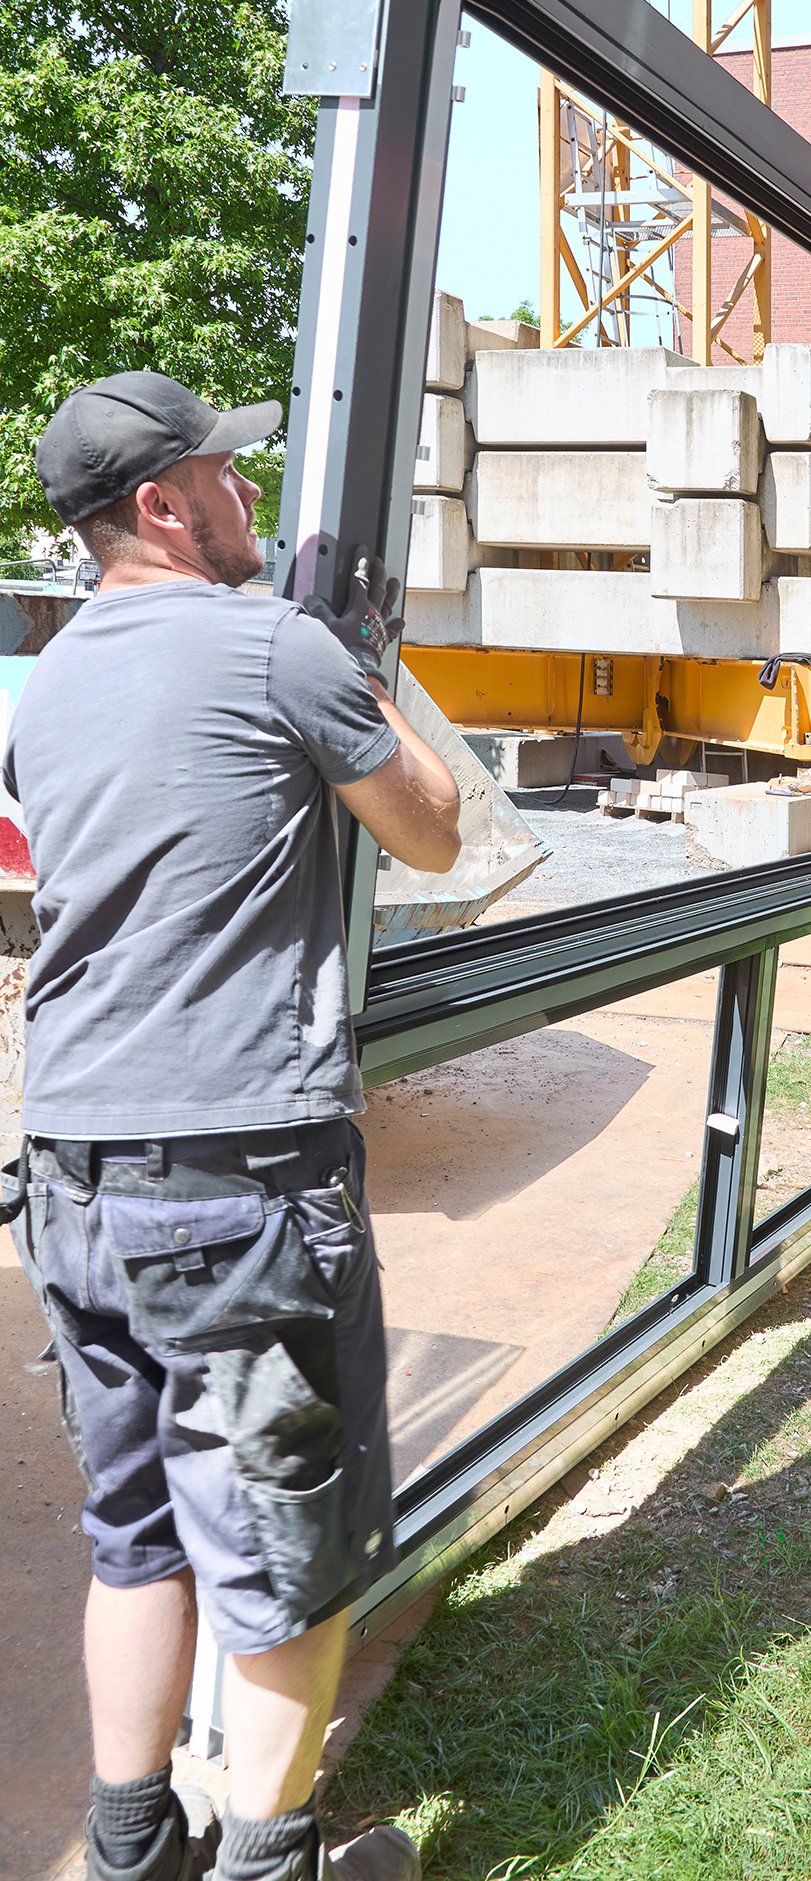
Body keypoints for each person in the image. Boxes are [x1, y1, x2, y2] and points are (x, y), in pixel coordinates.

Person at [2, 372, 462, 1881]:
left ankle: (133, 1843)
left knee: (133, 1528)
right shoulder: (276, 645)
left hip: (70, 1169)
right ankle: (274, 1864)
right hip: (236, 1178)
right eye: (224, 472)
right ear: (160, 506)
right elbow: (434, 830)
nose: (248, 491)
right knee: (285, 1540)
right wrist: (364, 670)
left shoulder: (45, 685)